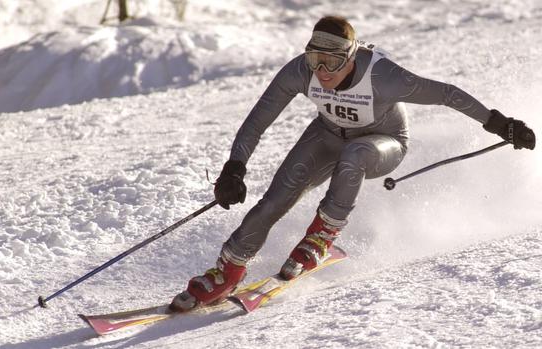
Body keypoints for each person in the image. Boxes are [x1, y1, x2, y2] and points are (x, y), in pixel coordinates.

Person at [170, 15, 536, 311]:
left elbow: (446, 94)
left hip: (384, 143)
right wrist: (235, 167)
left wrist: (500, 124)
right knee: (276, 198)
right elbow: (258, 120)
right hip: (327, 135)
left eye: (332, 62)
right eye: (315, 61)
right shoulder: (300, 72)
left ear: (351, 57)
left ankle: (321, 237)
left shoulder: (384, 76)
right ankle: (227, 271)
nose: (323, 72)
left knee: (355, 156)